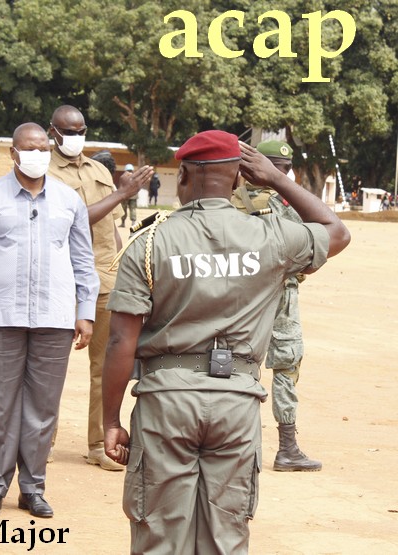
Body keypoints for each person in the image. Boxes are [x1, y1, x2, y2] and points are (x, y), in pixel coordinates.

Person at [102, 130, 350, 554]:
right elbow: (336, 231)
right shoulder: (271, 236)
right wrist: (276, 179)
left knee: (159, 533)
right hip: (237, 401)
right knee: (226, 536)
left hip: (167, 401)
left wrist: (110, 421)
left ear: (181, 177)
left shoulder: (150, 242)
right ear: (238, 180)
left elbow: (121, 341)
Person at [0, 123, 99, 519]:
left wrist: (85, 312)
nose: (37, 154)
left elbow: (83, 261)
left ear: (50, 150)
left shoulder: (69, 201)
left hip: (55, 319)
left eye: (43, 147)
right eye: (28, 148)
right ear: (13, 152)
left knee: (43, 409)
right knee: (0, 408)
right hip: (0, 318)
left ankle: (33, 488)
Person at [47, 104, 152, 471]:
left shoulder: (98, 171)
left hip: (104, 279)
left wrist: (125, 262)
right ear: (53, 131)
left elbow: (109, 227)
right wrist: (123, 194)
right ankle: (42, 441)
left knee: (104, 367)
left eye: (80, 130)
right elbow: (72, 220)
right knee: (51, 366)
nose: (75, 137)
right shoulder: (43, 171)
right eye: (67, 130)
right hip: (61, 279)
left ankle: (97, 444)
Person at [231, 139, 322, 472]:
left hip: (239, 298)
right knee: (285, 368)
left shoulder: (231, 202)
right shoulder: (289, 205)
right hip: (282, 296)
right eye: (282, 169)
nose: (285, 173)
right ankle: (287, 448)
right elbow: (314, 246)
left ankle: (234, 446)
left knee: (237, 365)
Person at [119, 163, 138, 227]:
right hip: (133, 196)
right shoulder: (135, 177)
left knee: (123, 209)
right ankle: (133, 222)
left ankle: (123, 223)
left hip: (125, 195)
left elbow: (121, 186)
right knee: (133, 209)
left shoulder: (123, 177)